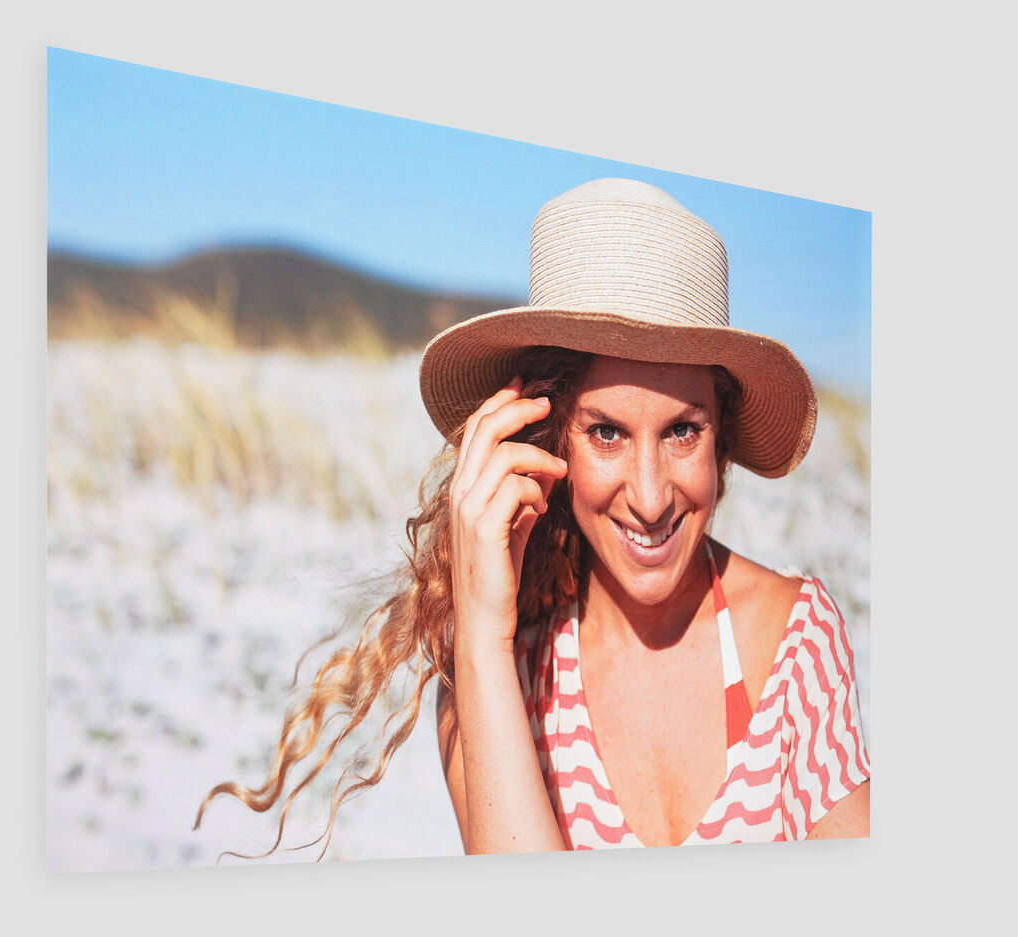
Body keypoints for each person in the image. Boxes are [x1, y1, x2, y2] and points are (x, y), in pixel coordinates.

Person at [196, 177, 869, 856]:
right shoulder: (498, 674)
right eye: (606, 432)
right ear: (548, 443)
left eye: (681, 431)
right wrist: (482, 636)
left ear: (720, 436)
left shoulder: (796, 640)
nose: (651, 497)